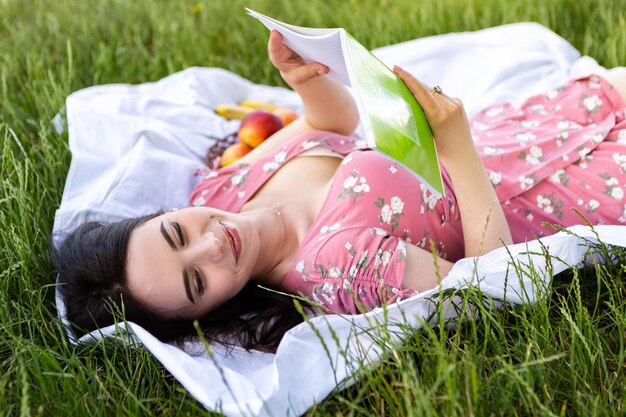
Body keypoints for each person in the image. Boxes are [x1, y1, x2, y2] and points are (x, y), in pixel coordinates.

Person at [51, 30, 626, 352]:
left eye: (177, 233)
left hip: (525, 128)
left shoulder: (226, 187)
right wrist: (454, 148)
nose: (212, 246)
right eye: (196, 282)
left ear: (166, 213)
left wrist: (307, 85)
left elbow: (327, 128)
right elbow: (497, 284)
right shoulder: (338, 268)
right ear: (209, 313)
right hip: (562, 191)